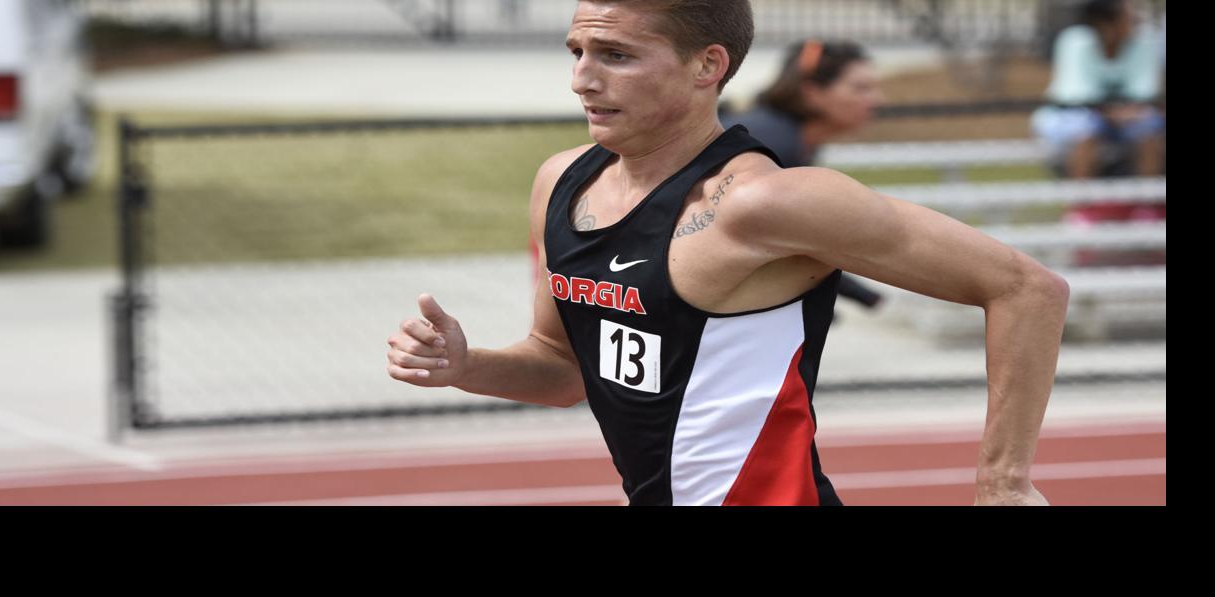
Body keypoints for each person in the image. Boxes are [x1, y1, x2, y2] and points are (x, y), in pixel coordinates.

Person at [386, 0, 1067, 506]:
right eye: (576, 52)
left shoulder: (762, 204)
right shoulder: (560, 183)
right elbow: (563, 369)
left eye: (615, 55)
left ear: (707, 65)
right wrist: (465, 365)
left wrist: (1002, 484)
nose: (582, 80)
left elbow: (1026, 289)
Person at [726, 39, 887, 314]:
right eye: (861, 88)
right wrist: (862, 295)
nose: (878, 100)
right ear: (813, 93)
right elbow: (777, 238)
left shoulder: (786, 136)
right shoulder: (771, 145)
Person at [1033, 0, 1166, 179]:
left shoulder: (1142, 43)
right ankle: (1082, 202)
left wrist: (1125, 113)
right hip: (1069, 116)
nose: (1136, 20)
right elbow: (1077, 97)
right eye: (1127, 16)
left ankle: (1147, 205)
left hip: (1126, 118)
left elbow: (1144, 94)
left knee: (1149, 127)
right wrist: (1117, 112)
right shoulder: (1075, 41)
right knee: (1085, 128)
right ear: (1105, 24)